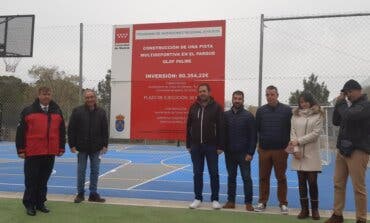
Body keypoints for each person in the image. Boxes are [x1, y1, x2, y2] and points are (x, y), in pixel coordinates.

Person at [16, 86, 65, 216]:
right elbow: (20, 132)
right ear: (38, 95)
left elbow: (61, 131)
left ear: (51, 95)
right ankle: (29, 204)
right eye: (43, 94)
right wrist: (20, 149)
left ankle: (40, 203)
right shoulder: (28, 111)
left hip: (50, 152)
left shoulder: (57, 111)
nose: (46, 96)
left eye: (48, 94)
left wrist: (61, 147)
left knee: (43, 180)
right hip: (33, 152)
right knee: (31, 180)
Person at [325, 79, 370, 223]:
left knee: (358, 187)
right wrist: (339, 103)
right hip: (343, 150)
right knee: (338, 183)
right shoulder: (349, 106)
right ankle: (337, 215)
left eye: (349, 92)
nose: (348, 95)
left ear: (358, 91)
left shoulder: (365, 105)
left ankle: (361, 219)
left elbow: (350, 116)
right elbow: (336, 121)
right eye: (345, 92)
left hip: (358, 150)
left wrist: (342, 103)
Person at [255, 85, 292, 214]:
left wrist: (289, 148)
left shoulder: (287, 111)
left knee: (281, 177)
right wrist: (259, 148)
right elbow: (257, 130)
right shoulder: (260, 111)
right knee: (263, 177)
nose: (270, 97)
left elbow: (291, 130)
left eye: (272, 94)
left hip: (281, 151)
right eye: (267, 95)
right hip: (264, 150)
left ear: (277, 95)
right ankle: (262, 202)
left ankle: (283, 203)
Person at [186, 83, 224, 209]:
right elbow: (188, 127)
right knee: (197, 173)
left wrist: (220, 146)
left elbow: (221, 128)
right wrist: (188, 144)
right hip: (196, 146)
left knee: (214, 173)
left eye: (204, 91)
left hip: (211, 146)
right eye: (200, 91)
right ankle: (198, 198)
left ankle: (215, 199)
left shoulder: (217, 107)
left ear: (209, 92)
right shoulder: (193, 107)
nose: (202, 93)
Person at [68, 89, 108, 203]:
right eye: (87, 97)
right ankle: (80, 194)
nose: (90, 99)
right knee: (81, 171)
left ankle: (93, 194)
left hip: (96, 148)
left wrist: (105, 144)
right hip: (81, 147)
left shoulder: (101, 112)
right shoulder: (77, 111)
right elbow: (71, 129)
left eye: (91, 97)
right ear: (85, 99)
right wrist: (72, 145)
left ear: (95, 98)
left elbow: (104, 130)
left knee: (95, 171)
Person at [289, 92, 323, 220]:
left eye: (305, 102)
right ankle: (304, 210)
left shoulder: (318, 115)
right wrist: (296, 148)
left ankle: (315, 210)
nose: (303, 104)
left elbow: (316, 134)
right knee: (301, 182)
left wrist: (299, 141)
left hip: (312, 154)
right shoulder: (295, 115)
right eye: (301, 102)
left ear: (311, 102)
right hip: (298, 154)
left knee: (313, 182)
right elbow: (292, 132)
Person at [222, 90, 257, 211]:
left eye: (239, 99)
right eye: (235, 98)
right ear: (232, 99)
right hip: (229, 153)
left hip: (244, 154)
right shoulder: (225, 115)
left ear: (243, 100)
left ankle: (248, 202)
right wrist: (223, 148)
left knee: (246, 178)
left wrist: (250, 152)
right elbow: (223, 134)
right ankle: (231, 201)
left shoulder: (248, 116)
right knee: (231, 177)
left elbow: (253, 136)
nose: (237, 100)